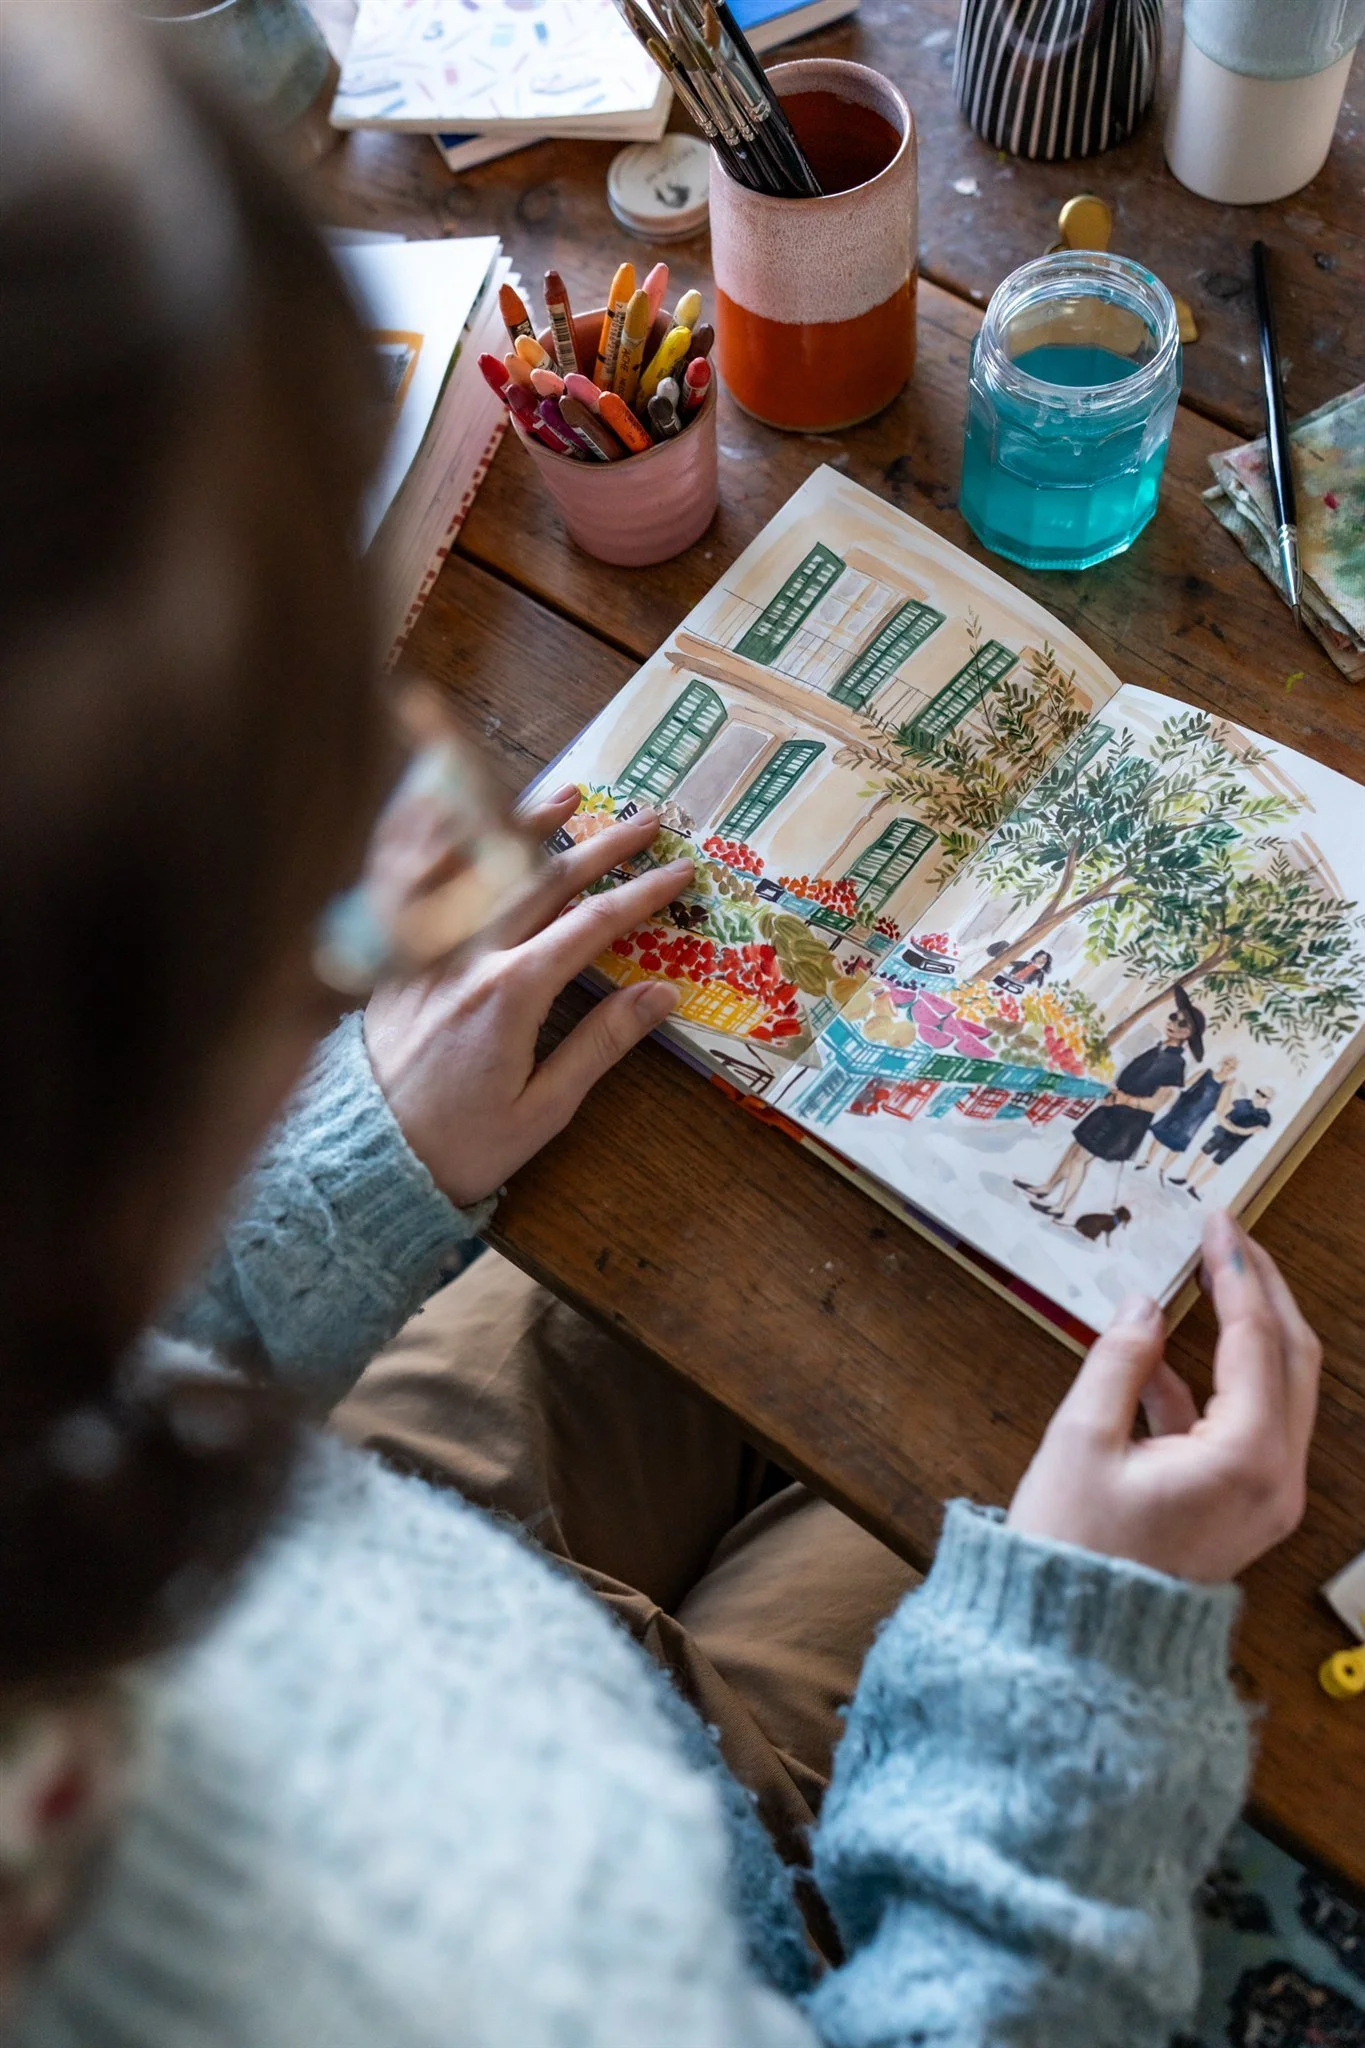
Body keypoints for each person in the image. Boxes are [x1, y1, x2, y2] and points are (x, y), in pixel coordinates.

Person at [1, 12, 1326, 2044]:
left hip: (371, 1544)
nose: (419, 803)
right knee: (961, 1447)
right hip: (687, 1887)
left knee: (800, 1318)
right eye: (351, 780)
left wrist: (351, 1165)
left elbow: (120, 1374)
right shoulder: (378, 1973)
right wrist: (1073, 1651)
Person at [1016, 987, 1206, 1219]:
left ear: (1189, 1035)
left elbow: (1155, 1104)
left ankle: (1062, 1206)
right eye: (1174, 1017)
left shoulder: (1175, 1065)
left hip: (1128, 1121)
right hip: (1112, 1108)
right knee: (1074, 1148)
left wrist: (1125, 1099)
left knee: (1081, 1158)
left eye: (1183, 1024)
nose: (1174, 1024)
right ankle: (1047, 1188)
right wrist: (1114, 1094)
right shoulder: (1157, 1049)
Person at [1137, 1052, 1239, 1181]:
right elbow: (1184, 1085)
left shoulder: (1226, 1086)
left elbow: (1220, 1108)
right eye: (1226, 1064)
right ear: (1221, 1062)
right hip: (1182, 1108)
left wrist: (1229, 1089)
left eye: (1231, 1068)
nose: (1227, 1068)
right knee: (1162, 1133)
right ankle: (1148, 1161)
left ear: (1233, 1071)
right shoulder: (1206, 1072)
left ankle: (1162, 1170)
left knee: (1180, 1143)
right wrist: (1172, 1099)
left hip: (1196, 1118)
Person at [1174, 1085, 1276, 1200]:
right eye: (1258, 1091)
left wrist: (1231, 1126)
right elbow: (1222, 1115)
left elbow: (1248, 1131)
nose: (1258, 1095)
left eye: (1263, 1095)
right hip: (1220, 1134)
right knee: (1202, 1155)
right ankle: (1186, 1178)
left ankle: (1194, 1187)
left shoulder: (1265, 1118)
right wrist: (1232, 1127)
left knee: (1216, 1164)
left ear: (1269, 1100)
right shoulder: (1241, 1102)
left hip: (1234, 1143)